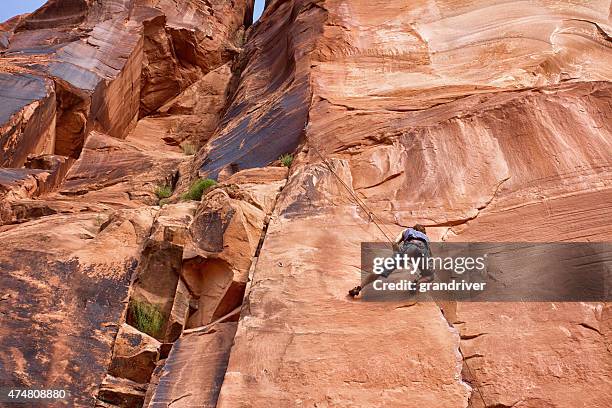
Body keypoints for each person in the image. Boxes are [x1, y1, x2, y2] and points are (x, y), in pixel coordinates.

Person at [348, 224, 434, 298]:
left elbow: (395, 243)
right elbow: (430, 256)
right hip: (423, 251)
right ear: (423, 232)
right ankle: (415, 285)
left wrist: (397, 255)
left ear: (414, 228)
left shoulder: (408, 230)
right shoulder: (426, 238)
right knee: (430, 276)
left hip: (410, 247)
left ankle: (359, 288)